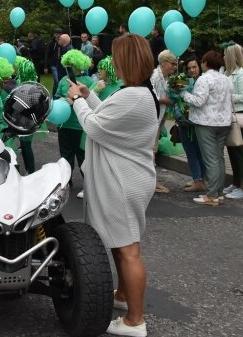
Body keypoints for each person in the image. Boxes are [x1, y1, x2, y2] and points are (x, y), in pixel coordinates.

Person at [66, 34, 160, 337]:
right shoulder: (139, 92)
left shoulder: (134, 95)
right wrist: (89, 96)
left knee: (128, 248)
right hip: (127, 176)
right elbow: (108, 115)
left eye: (117, 57)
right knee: (122, 244)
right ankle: (122, 296)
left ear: (127, 60)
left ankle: (135, 321)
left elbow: (95, 125)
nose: (112, 62)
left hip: (124, 180)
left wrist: (78, 101)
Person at [180, 51, 233, 206]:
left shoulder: (204, 79)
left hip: (206, 123)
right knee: (219, 158)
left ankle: (210, 195)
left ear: (206, 63)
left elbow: (198, 101)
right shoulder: (226, 79)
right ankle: (218, 193)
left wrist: (183, 93)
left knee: (210, 160)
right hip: (224, 123)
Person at [55, 50, 95, 196]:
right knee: (65, 156)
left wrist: (77, 100)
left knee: (82, 156)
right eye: (68, 65)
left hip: (80, 126)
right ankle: (66, 182)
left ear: (80, 65)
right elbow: (57, 96)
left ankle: (89, 186)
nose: (69, 67)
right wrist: (62, 100)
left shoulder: (89, 82)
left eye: (73, 65)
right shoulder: (63, 80)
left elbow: (91, 101)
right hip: (65, 124)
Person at [223, 43, 243, 200]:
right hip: (230, 115)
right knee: (232, 150)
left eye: (225, 54)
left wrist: (227, 96)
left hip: (240, 115)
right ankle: (236, 183)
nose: (223, 57)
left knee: (241, 151)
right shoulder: (228, 73)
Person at [174, 57, 206, 192]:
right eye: (189, 68)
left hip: (196, 121)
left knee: (197, 152)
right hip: (185, 121)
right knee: (192, 152)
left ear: (199, 67)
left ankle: (199, 180)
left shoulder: (203, 82)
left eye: (194, 67)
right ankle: (198, 178)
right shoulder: (183, 81)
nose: (192, 70)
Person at [150, 50, 178, 193]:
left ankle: (152, 181)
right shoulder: (156, 76)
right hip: (153, 118)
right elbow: (151, 95)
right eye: (173, 64)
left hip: (160, 117)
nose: (174, 67)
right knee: (151, 149)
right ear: (164, 63)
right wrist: (168, 101)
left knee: (153, 148)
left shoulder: (166, 77)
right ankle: (152, 182)